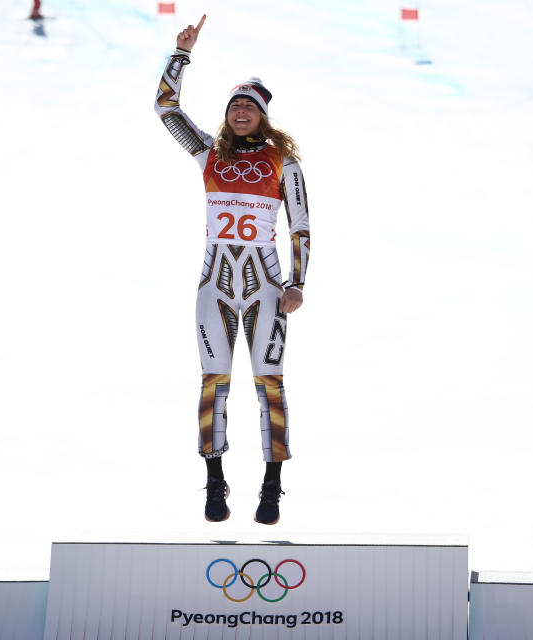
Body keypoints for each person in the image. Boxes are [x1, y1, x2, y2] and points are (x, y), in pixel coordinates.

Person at [154, 15, 311, 525]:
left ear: (263, 117)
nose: (241, 112)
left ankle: (272, 487)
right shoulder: (208, 153)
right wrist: (181, 54)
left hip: (266, 287)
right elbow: (166, 109)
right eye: (235, 105)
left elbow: (301, 226)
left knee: (270, 382)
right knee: (212, 382)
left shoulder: (283, 162)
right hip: (213, 285)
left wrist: (296, 283)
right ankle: (215, 481)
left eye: (250, 106)